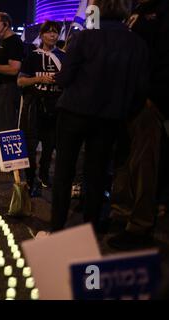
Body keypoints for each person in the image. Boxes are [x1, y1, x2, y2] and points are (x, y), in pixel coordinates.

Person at [50, 0, 149, 232]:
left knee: (64, 171)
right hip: (108, 118)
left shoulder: (84, 38)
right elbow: (140, 88)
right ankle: (90, 230)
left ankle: (57, 227)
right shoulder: (137, 43)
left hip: (73, 112)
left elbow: (64, 79)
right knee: (97, 175)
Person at [108, 0, 169, 250]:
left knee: (144, 164)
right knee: (124, 161)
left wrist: (152, 98)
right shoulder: (136, 11)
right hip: (126, 99)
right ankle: (123, 214)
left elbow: (164, 58)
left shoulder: (162, 10)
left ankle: (140, 225)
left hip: (147, 101)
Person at [18, 21, 65, 193]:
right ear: (42, 35)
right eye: (49, 32)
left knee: (49, 146)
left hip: (55, 108)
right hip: (34, 108)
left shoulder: (63, 56)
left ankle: (45, 176)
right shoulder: (32, 56)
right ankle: (31, 179)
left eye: (55, 33)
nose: (52, 35)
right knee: (30, 146)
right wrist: (39, 79)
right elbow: (21, 81)